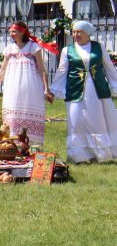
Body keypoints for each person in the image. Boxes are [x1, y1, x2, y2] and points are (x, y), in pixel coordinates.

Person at [49, 20, 117, 162]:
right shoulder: (67, 50)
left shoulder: (99, 47)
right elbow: (62, 71)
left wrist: (114, 84)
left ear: (87, 33)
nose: (76, 34)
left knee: (96, 119)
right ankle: (79, 155)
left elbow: (109, 67)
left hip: (97, 89)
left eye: (79, 31)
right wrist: (53, 90)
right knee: (76, 120)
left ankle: (100, 155)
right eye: (74, 32)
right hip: (75, 88)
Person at [0, 21, 54, 146]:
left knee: (28, 110)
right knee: (12, 112)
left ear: (22, 32)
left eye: (14, 31)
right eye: (10, 31)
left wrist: (46, 88)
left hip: (31, 86)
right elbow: (2, 71)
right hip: (12, 86)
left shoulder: (33, 47)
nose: (11, 34)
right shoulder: (9, 49)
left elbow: (42, 69)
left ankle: (30, 145)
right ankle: (12, 144)